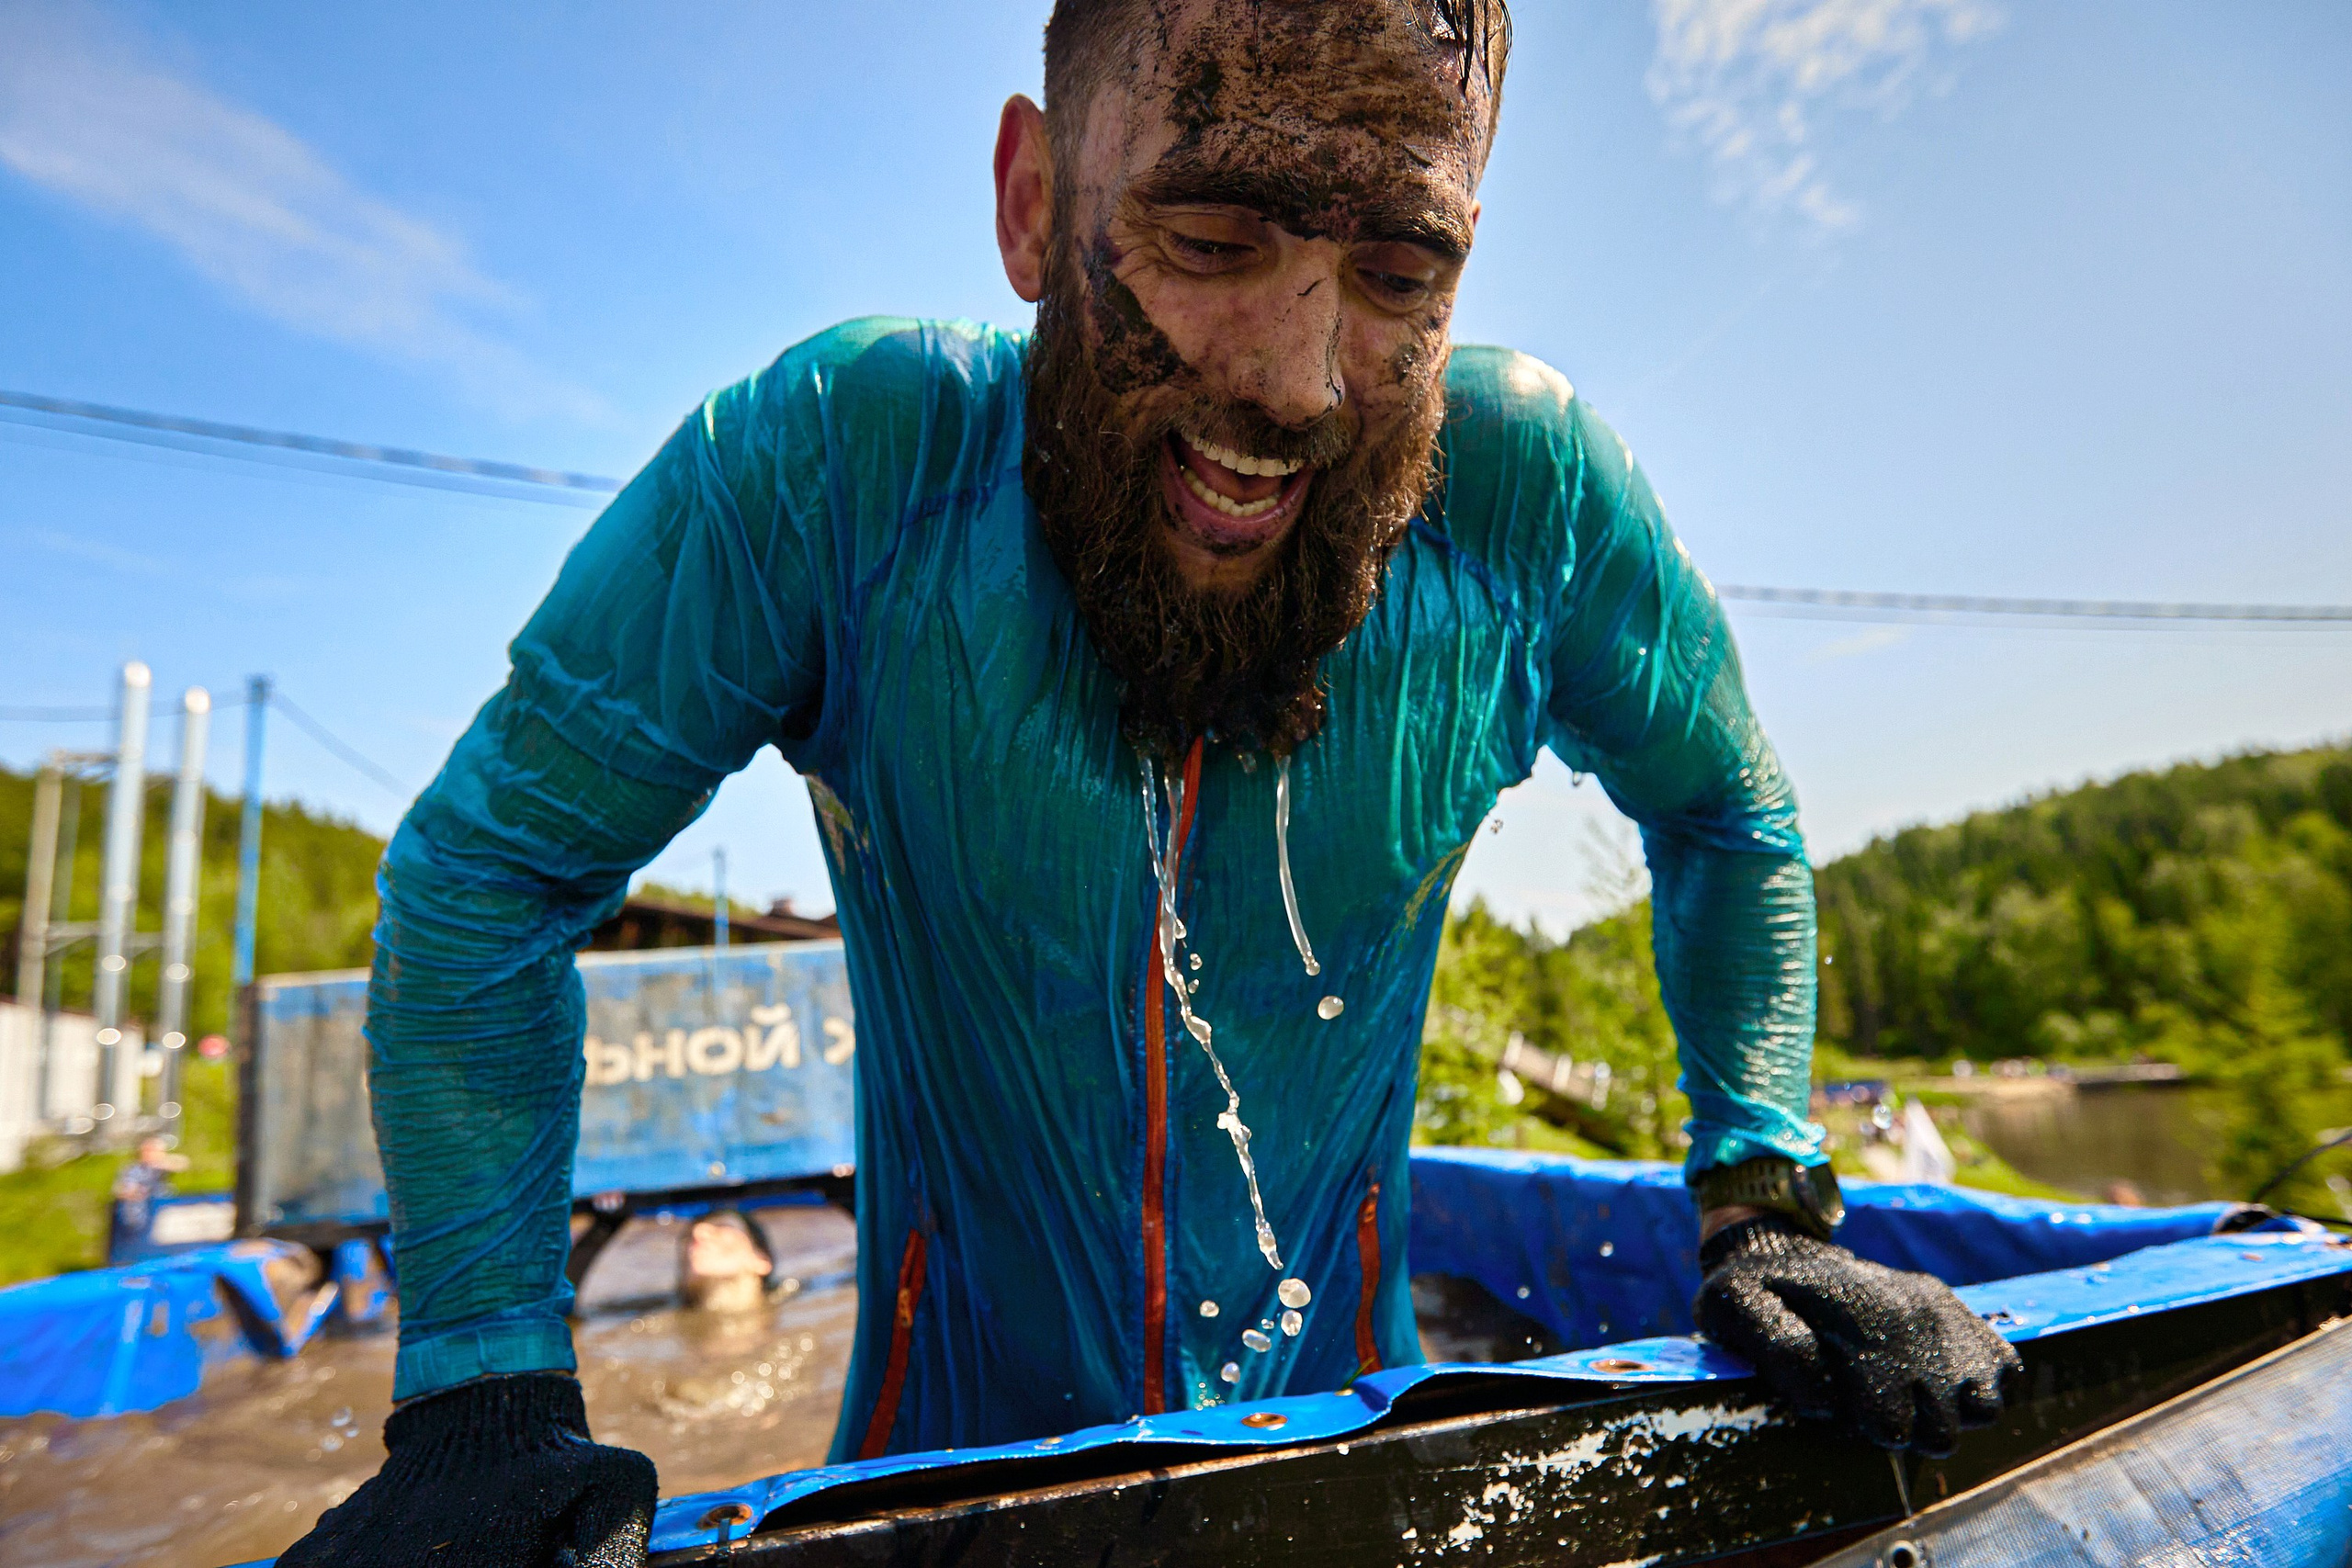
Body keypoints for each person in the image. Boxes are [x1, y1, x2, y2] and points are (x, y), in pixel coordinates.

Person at [284, 3, 2018, 1562]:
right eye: (1209, 237)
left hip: (1372, 1494)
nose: (1297, 375)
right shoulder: (849, 467)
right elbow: (484, 875)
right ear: (1033, 203)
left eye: (1403, 273)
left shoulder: (1524, 501)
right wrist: (483, 1396)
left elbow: (1730, 813)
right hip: (926, 1513)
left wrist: (1765, 1201)